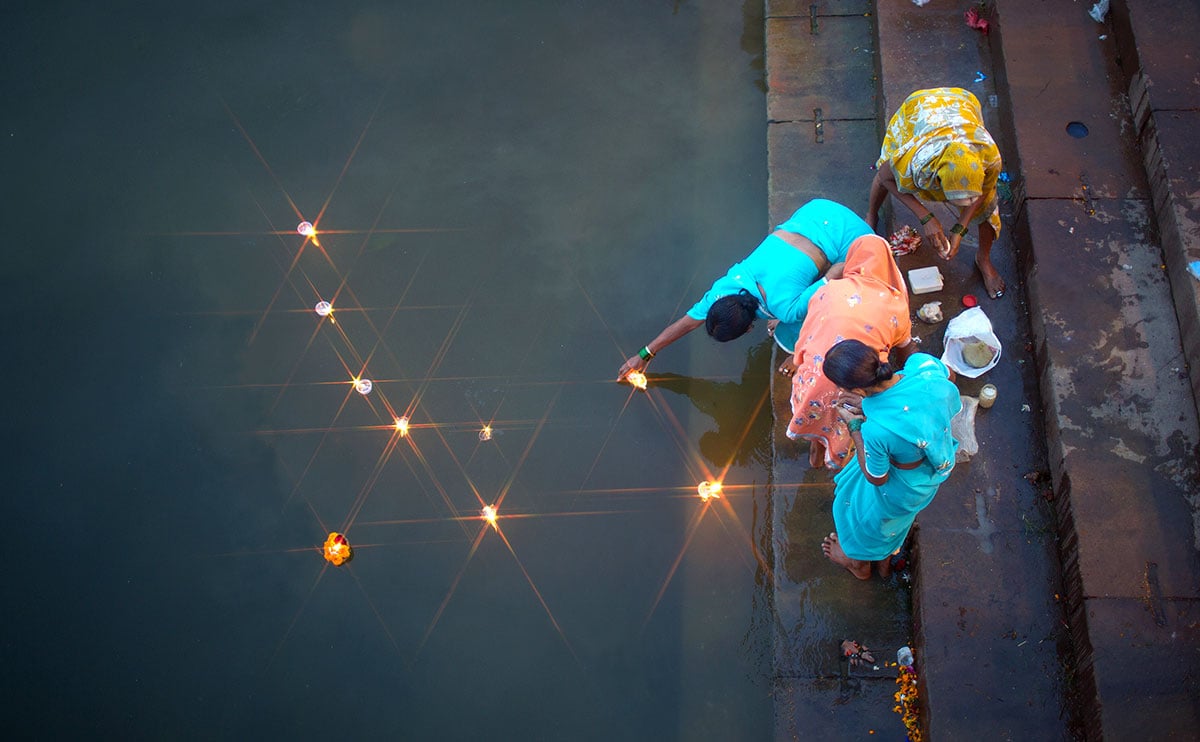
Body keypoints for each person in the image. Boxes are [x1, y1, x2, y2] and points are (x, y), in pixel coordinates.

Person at [617, 199, 872, 381]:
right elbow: (686, 323)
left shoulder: (786, 309)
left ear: (750, 328)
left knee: (808, 317)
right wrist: (644, 354)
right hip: (817, 209)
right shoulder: (725, 288)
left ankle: (800, 354)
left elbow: (836, 272)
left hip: (852, 235)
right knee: (793, 295)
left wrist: (832, 279)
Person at [818, 338, 961, 580]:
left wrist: (854, 426)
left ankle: (858, 564)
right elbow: (949, 380)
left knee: (865, 518)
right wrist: (871, 404)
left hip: (898, 484)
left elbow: (877, 477)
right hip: (926, 475)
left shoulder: (876, 430)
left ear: (856, 390)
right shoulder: (922, 365)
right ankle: (884, 562)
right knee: (893, 522)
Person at [786, 234, 916, 469]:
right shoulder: (895, 303)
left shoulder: (829, 291)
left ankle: (815, 450)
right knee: (845, 425)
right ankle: (833, 458)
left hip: (813, 380)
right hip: (856, 384)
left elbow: (807, 334)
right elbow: (907, 348)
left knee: (815, 411)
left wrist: (798, 360)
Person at [867, 87, 1006, 299]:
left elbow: (983, 194)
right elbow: (884, 177)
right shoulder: (916, 161)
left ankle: (983, 259)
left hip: (963, 104)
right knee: (885, 173)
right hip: (921, 109)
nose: (968, 202)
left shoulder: (990, 159)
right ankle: (871, 215)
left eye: (971, 196)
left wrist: (961, 227)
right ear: (938, 183)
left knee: (988, 207)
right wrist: (926, 217)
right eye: (959, 200)